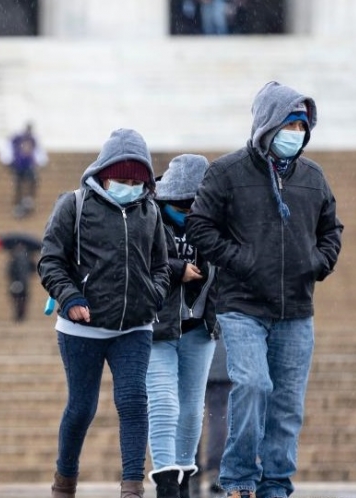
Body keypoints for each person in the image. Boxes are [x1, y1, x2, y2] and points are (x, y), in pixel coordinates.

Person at [186, 81, 343, 498]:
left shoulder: (313, 177)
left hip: (296, 310)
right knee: (253, 385)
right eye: (290, 123)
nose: (297, 132)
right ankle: (239, 479)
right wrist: (241, 260)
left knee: (287, 405)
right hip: (242, 307)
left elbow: (331, 230)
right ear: (268, 124)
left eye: (302, 125)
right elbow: (199, 226)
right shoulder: (227, 172)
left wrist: (318, 263)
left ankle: (276, 484)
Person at [37, 128, 170, 498]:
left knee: (133, 402)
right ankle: (64, 483)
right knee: (82, 408)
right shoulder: (73, 205)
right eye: (121, 180)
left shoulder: (150, 211)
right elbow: (50, 261)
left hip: (134, 327)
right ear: (103, 173)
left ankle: (132, 488)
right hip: (82, 328)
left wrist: (153, 296)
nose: (129, 187)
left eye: (136, 182)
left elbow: (161, 266)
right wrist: (70, 298)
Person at [146, 154, 218, 498]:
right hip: (158, 325)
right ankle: (165, 484)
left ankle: (184, 480)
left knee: (191, 409)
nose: (186, 213)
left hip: (200, 327)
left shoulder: (218, 218)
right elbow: (135, 257)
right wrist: (177, 269)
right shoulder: (148, 215)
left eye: (193, 207)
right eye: (179, 207)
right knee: (163, 402)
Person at [193, 337, 232, 498]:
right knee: (219, 418)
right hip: (222, 358)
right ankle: (215, 471)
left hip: (196, 357)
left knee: (192, 416)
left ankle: (192, 472)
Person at [0, 122, 48, 218]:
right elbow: (8, 148)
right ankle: (20, 203)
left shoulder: (32, 139)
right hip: (19, 166)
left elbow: (39, 152)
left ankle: (27, 200)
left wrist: (41, 162)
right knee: (20, 184)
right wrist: (8, 161)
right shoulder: (17, 138)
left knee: (31, 182)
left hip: (27, 166)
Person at [6, 241, 37, 322]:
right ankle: (20, 315)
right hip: (23, 282)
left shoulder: (13, 258)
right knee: (22, 300)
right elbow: (33, 269)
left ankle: (19, 315)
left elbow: (9, 271)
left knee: (18, 300)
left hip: (18, 282)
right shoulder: (27, 257)